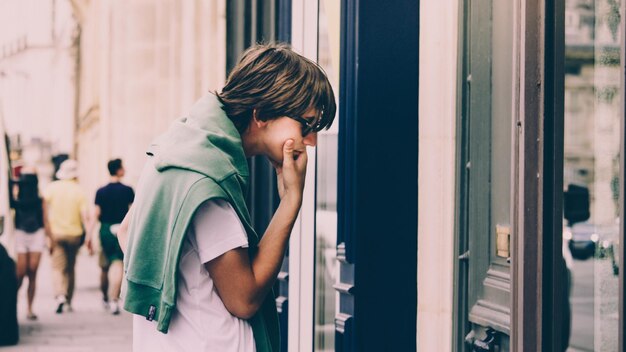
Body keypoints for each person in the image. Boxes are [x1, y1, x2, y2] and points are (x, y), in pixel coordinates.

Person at [118, 43, 336, 351]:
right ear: (262, 114)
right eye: (306, 125)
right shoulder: (208, 180)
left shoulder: (180, 149)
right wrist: (291, 200)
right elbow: (244, 299)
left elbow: (127, 233)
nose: (311, 141)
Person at [86, 159, 134, 315]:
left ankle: (104, 297)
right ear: (118, 170)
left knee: (104, 265)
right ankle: (114, 298)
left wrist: (88, 235)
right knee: (118, 263)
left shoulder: (101, 191)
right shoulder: (128, 190)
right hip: (121, 229)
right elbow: (133, 213)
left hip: (105, 229)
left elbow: (96, 214)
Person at [43, 159, 89, 314]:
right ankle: (69, 301)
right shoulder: (79, 190)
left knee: (57, 268)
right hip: (74, 235)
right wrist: (88, 236)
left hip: (56, 234)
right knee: (70, 268)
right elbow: (84, 216)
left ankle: (60, 295)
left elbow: (44, 209)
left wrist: (47, 233)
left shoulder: (52, 188)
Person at [11, 173, 44, 320]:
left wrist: (50, 238)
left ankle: (30, 308)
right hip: (20, 234)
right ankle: (13, 300)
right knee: (20, 272)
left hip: (36, 233)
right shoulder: (16, 201)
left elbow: (45, 219)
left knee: (33, 270)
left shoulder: (39, 200)